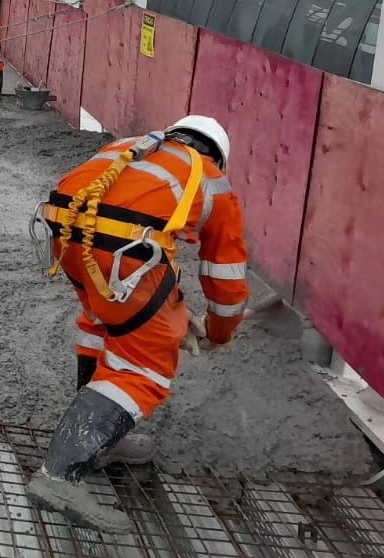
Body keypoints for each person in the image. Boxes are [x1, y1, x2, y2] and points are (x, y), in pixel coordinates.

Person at [27, 115, 248, 532]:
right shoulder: (211, 179)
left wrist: (176, 313)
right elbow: (225, 277)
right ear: (217, 155)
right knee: (143, 366)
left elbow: (133, 225)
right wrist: (220, 333)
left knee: (103, 322)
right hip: (121, 253)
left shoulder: (134, 147)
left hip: (68, 237)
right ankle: (59, 474)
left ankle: (96, 439)